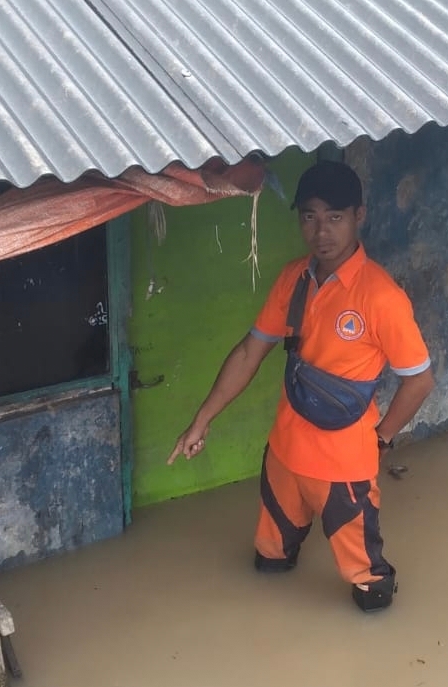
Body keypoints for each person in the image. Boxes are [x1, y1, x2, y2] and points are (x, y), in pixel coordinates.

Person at [167, 160, 434, 612]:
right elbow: (250, 352)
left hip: (344, 472)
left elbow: (420, 381)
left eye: (335, 217)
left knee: (372, 593)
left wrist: (382, 438)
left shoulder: (381, 297)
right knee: (268, 567)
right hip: (285, 459)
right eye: (309, 216)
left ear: (359, 217)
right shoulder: (295, 279)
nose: (321, 231)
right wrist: (201, 421)